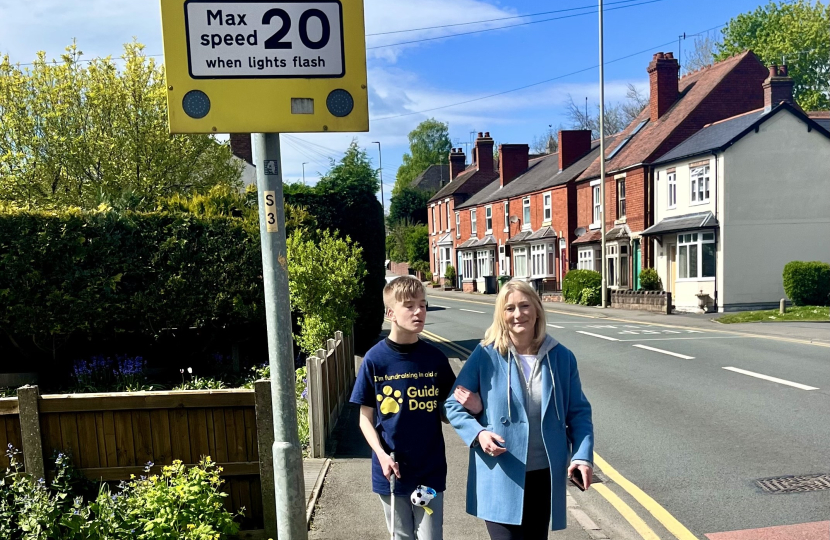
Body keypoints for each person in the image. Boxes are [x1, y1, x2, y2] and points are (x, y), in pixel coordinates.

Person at [444, 279, 594, 540]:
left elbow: (579, 413)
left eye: (524, 306)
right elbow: (452, 406)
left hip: (543, 476)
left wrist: (582, 456)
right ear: (501, 315)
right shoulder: (485, 355)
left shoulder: (562, 357)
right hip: (500, 474)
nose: (518, 314)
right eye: (509, 308)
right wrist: (478, 433)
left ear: (537, 310)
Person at [349, 276, 457, 540]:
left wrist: (465, 408)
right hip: (391, 470)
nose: (419, 311)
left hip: (429, 468)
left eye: (422, 304)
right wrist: (382, 456)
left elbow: (447, 412)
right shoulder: (375, 359)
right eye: (409, 306)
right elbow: (365, 418)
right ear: (391, 313)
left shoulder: (436, 359)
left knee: (430, 537)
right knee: (401, 537)